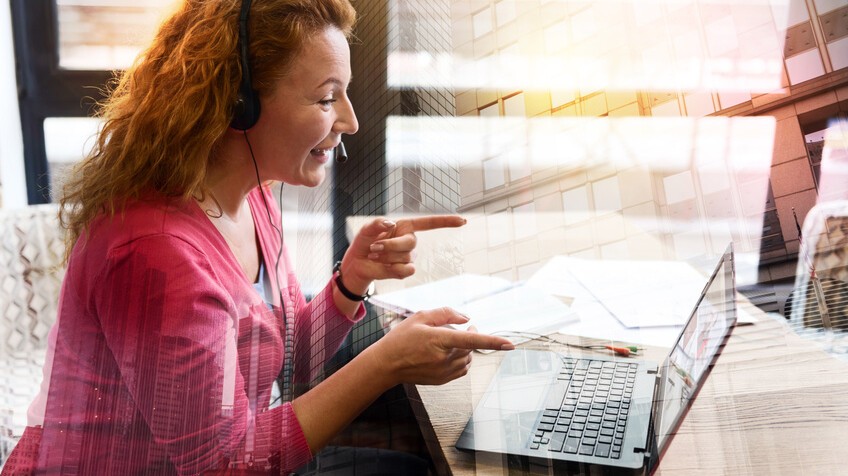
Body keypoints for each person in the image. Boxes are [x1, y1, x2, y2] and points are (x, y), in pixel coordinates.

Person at [1, 0, 514, 474]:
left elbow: (290, 359)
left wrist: (351, 281)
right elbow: (223, 465)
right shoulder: (156, 256)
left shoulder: (252, 195)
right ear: (239, 103)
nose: (351, 121)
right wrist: (386, 364)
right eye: (327, 98)